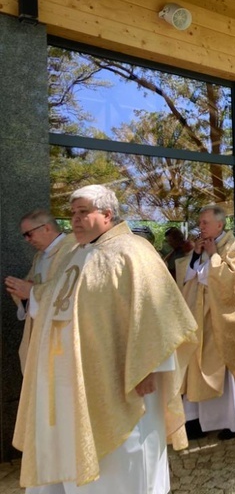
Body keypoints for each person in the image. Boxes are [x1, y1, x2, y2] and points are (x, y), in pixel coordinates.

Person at [12, 184, 197, 493]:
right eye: (72, 213)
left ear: (107, 214)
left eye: (83, 212)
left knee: (128, 454)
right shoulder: (79, 253)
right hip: (82, 373)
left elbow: (159, 310)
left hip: (128, 374)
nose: (75, 220)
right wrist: (34, 294)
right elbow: (61, 297)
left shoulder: (133, 250)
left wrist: (151, 367)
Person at [177, 206, 235, 441]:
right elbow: (188, 275)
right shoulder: (201, 245)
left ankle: (234, 421)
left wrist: (213, 255)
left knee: (222, 368)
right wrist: (195, 255)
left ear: (219, 225)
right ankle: (197, 420)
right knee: (195, 365)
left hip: (222, 318)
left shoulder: (233, 246)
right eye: (200, 223)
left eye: (205, 223)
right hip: (199, 315)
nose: (200, 227)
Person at [4, 210, 75, 374]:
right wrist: (22, 293)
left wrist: (32, 292)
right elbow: (30, 290)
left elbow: (72, 290)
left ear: (47, 228)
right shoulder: (39, 257)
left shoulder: (73, 250)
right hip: (41, 332)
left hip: (63, 334)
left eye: (29, 234)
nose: (27, 240)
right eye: (24, 236)